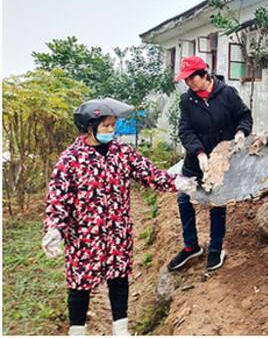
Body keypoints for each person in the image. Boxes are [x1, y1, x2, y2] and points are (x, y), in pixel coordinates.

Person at [42, 97, 197, 336]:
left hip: (117, 232)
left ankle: (120, 329)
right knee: (79, 285)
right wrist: (54, 228)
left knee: (119, 279)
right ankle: (77, 331)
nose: (111, 130)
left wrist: (177, 182)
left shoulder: (122, 153)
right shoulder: (71, 159)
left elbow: (150, 174)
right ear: (89, 127)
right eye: (106, 126)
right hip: (84, 236)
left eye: (113, 125)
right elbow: (58, 198)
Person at [168, 56, 253, 272]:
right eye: (185, 80)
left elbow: (244, 116)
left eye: (191, 78)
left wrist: (241, 132)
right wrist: (198, 153)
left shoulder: (227, 94)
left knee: (217, 203)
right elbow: (185, 130)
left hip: (222, 162)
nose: (188, 83)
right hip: (196, 162)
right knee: (184, 199)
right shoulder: (187, 100)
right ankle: (191, 246)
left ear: (204, 75)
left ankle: (216, 248)